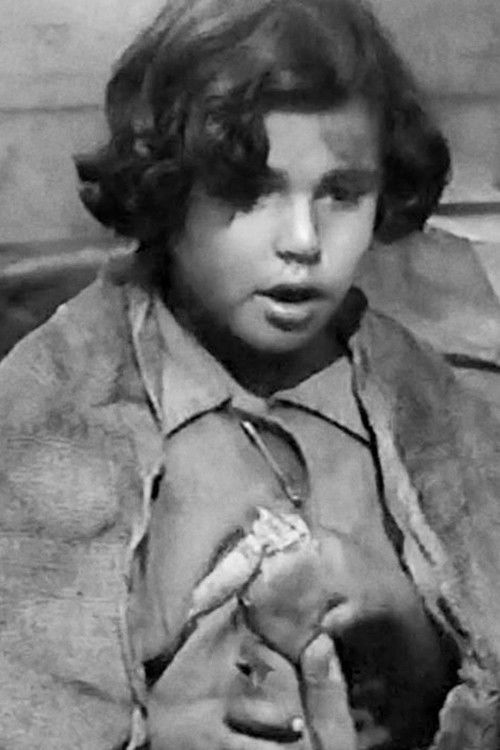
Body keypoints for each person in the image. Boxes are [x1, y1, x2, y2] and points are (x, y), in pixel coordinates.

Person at [0, 0, 499, 748]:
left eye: (341, 192)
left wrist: (406, 625)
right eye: (249, 190)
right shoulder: (50, 411)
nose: (303, 240)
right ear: (167, 188)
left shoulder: (437, 409)